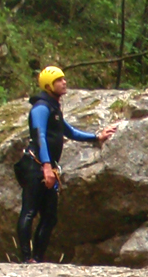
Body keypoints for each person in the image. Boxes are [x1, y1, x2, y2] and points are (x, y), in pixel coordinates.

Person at [13, 66, 117, 263]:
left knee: (50, 216)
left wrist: (96, 136)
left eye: (63, 79)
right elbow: (39, 136)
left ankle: (38, 258)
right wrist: (45, 166)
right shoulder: (41, 107)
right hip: (35, 165)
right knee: (29, 210)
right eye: (59, 80)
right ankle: (26, 258)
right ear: (49, 85)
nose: (64, 82)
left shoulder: (54, 107)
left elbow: (68, 131)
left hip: (47, 166)